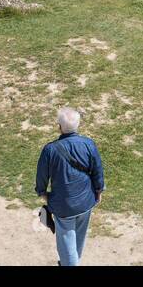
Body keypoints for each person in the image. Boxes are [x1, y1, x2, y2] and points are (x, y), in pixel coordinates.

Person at [36, 107, 105, 266]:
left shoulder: (50, 149)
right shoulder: (89, 144)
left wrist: (43, 193)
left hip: (63, 206)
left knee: (67, 243)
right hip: (86, 201)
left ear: (59, 127)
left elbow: (41, 177)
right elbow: (97, 171)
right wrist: (99, 191)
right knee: (78, 239)